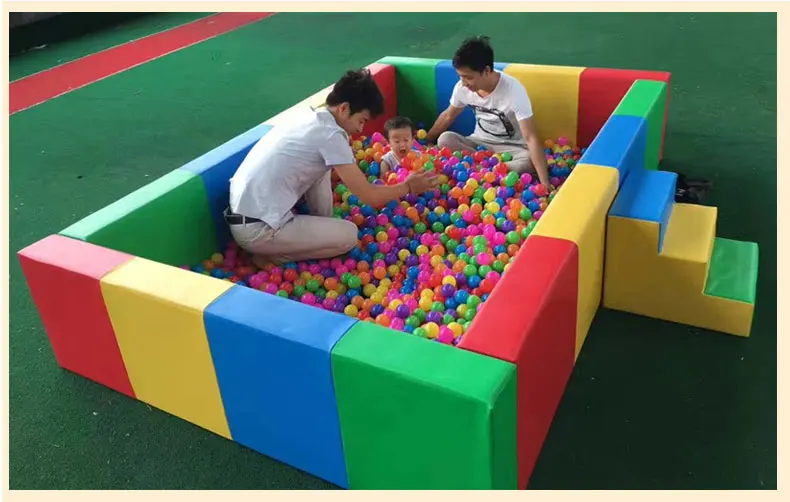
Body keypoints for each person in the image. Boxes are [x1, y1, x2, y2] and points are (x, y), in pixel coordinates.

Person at [226, 68, 439, 267]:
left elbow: (320, 175)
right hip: (260, 229)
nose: (360, 129)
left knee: (323, 170)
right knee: (348, 236)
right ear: (344, 108)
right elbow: (369, 196)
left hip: (243, 215)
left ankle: (318, 229)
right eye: (361, 120)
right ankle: (272, 257)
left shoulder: (309, 117)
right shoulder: (330, 135)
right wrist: (408, 187)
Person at [425, 36, 553, 192]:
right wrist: (426, 142)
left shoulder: (513, 90)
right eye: (460, 76)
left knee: (527, 161)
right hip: (479, 144)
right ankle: (488, 170)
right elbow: (448, 116)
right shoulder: (462, 88)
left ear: (486, 70)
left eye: (468, 77)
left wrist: (545, 183)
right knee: (445, 139)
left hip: (512, 149)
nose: (464, 82)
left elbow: (530, 137)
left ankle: (481, 170)